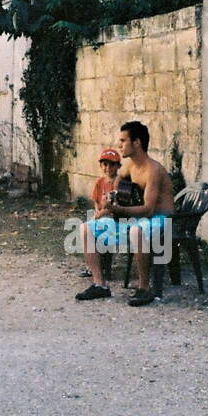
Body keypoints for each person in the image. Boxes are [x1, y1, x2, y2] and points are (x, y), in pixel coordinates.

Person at [75, 121, 173, 307]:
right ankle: (99, 284)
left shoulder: (153, 170)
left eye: (123, 140)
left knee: (136, 231)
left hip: (160, 219)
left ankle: (144, 288)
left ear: (136, 143)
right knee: (86, 228)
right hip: (135, 218)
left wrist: (118, 210)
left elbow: (148, 209)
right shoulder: (129, 166)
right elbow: (119, 179)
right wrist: (114, 197)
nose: (119, 145)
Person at [78, 148, 122, 281]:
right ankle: (92, 266)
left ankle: (103, 267)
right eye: (105, 164)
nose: (108, 168)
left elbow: (116, 206)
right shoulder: (99, 183)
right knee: (87, 230)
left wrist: (102, 213)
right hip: (101, 216)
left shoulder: (119, 183)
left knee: (101, 230)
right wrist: (98, 212)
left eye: (112, 165)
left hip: (114, 217)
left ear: (118, 166)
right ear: (101, 166)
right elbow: (96, 201)